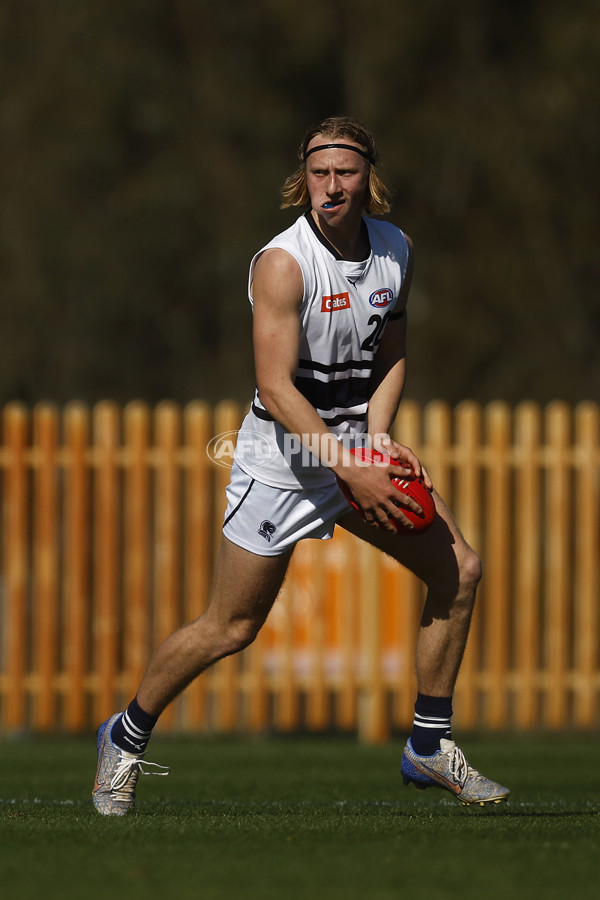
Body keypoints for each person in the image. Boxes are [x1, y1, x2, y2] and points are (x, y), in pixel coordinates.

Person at [92, 115, 510, 815]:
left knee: (460, 570)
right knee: (230, 627)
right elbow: (278, 388)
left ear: (368, 178)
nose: (332, 186)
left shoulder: (396, 249)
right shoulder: (283, 263)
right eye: (319, 174)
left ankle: (428, 746)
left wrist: (375, 441)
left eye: (345, 172)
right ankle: (124, 735)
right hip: (283, 462)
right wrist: (351, 464)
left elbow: (393, 354)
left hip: (353, 454)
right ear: (302, 180)